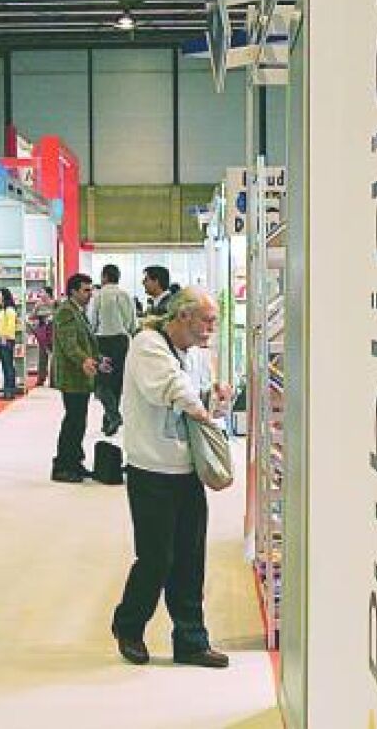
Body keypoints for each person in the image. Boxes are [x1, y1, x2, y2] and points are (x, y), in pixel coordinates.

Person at [111, 286, 232, 669]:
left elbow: (198, 396)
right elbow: (170, 388)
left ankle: (191, 641)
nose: (212, 328)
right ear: (183, 316)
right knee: (156, 558)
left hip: (187, 470)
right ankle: (129, 626)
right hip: (151, 471)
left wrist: (217, 398)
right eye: (207, 320)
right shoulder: (147, 345)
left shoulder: (194, 354)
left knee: (190, 560)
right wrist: (202, 409)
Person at [49, 274, 99, 483]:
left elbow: (85, 341)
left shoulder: (78, 311)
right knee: (73, 421)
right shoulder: (66, 312)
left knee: (78, 421)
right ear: (73, 292)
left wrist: (96, 359)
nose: (90, 294)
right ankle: (62, 466)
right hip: (72, 376)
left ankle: (74, 462)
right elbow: (69, 344)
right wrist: (84, 360)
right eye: (86, 290)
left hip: (80, 375)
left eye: (90, 290)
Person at [87, 264, 138, 435]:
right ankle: (108, 421)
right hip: (121, 341)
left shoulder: (98, 296)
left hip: (103, 341)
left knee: (101, 383)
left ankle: (114, 416)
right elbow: (132, 322)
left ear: (104, 277)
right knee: (116, 382)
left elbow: (92, 321)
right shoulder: (126, 295)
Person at [0, 287, 21, 399]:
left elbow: (11, 327)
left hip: (6, 340)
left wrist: (5, 338)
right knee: (5, 366)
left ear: (4, 296)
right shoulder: (3, 310)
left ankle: (10, 391)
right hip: (2, 339)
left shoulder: (9, 310)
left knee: (8, 366)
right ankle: (7, 391)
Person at [29, 293, 55, 388]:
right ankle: (41, 379)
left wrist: (50, 309)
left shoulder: (55, 304)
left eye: (43, 293)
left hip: (53, 333)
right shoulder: (39, 305)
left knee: (54, 359)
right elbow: (31, 317)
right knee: (42, 357)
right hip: (42, 334)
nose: (41, 295)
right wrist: (36, 309)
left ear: (49, 295)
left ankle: (53, 381)